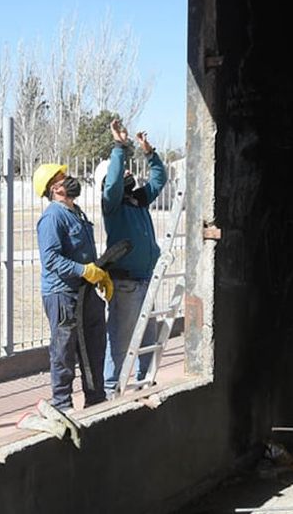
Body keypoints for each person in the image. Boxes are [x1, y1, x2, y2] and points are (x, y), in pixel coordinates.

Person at [94, 119, 168, 396]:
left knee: (148, 337)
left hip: (146, 279)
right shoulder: (111, 204)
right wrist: (119, 147)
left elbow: (159, 179)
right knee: (122, 339)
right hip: (125, 283)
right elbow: (112, 182)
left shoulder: (138, 201)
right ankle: (112, 388)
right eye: (123, 171)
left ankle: (145, 380)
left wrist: (150, 153)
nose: (127, 173)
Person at [33, 162, 113, 411]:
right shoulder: (52, 217)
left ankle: (95, 398)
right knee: (64, 350)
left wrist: (100, 275)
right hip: (62, 294)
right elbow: (51, 259)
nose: (68, 179)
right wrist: (84, 271)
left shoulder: (76, 212)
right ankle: (62, 404)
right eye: (61, 177)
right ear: (53, 187)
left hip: (85, 292)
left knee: (93, 346)